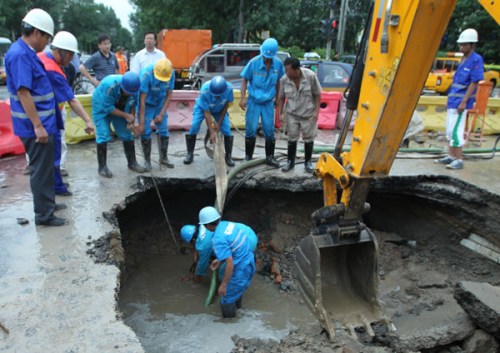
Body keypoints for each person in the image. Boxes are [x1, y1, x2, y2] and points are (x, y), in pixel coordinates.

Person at [6, 8, 67, 226]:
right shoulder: (20, 55)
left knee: (47, 166)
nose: (47, 44)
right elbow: (24, 92)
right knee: (40, 171)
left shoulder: (27, 52)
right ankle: (44, 215)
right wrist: (38, 126)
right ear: (36, 33)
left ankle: (48, 204)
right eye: (47, 38)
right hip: (35, 127)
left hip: (45, 124)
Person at [37, 31, 95, 197]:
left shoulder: (41, 57)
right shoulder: (54, 71)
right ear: (61, 51)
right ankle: (54, 189)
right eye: (70, 55)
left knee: (48, 155)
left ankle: (54, 186)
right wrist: (87, 120)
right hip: (48, 116)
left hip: (44, 112)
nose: (71, 59)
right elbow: (72, 100)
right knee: (52, 153)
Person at [435, 28, 484, 170]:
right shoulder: (462, 59)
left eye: (465, 45)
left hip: (461, 102)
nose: (462, 47)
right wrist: (449, 100)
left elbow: (474, 82)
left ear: (472, 45)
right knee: (449, 130)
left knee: (456, 131)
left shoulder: (475, 60)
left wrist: (464, 101)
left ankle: (459, 159)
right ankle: (451, 156)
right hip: (453, 101)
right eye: (461, 45)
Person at [199, 206, 257, 318]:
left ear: (207, 225)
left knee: (226, 299)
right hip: (249, 261)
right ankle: (239, 312)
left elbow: (230, 263)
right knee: (237, 289)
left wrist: (223, 285)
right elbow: (233, 246)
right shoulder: (227, 224)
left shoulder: (217, 239)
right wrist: (220, 260)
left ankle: (230, 329)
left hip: (241, 268)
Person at [239, 38, 285, 167]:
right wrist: (243, 98)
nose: (266, 59)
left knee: (269, 129)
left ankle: (270, 157)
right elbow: (244, 80)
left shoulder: (278, 64)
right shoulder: (253, 63)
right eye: (264, 56)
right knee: (251, 129)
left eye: (268, 57)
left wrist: (277, 97)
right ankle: (248, 157)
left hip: (268, 103)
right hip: (254, 101)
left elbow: (278, 82)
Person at [92, 72, 146, 178]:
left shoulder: (135, 88)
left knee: (126, 134)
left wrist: (131, 121)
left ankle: (132, 163)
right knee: (103, 134)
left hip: (121, 107)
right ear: (122, 87)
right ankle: (102, 167)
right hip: (101, 107)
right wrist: (125, 115)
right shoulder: (110, 85)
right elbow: (108, 107)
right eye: (128, 92)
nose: (130, 94)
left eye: (132, 92)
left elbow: (133, 104)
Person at [277, 57, 321, 173]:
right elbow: (281, 98)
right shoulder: (284, 80)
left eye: (288, 70)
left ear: (297, 70)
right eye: (285, 70)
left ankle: (308, 162)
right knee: (291, 137)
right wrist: (280, 113)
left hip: (308, 113)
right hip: (292, 113)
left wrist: (316, 111)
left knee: (309, 138)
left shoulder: (310, 76)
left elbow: (317, 94)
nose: (286, 73)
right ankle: (290, 162)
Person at [184, 75, 235, 167]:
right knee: (194, 126)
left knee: (227, 130)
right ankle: (189, 154)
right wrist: (211, 132)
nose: (217, 97)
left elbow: (226, 106)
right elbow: (206, 113)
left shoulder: (229, 89)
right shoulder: (205, 90)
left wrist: (218, 123)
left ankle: (228, 156)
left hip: (220, 109)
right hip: (202, 108)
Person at [138, 58, 175, 170]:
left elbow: (169, 95)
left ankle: (163, 158)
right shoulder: (145, 75)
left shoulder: (171, 73)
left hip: (160, 103)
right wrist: (142, 122)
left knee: (164, 130)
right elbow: (142, 101)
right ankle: (147, 161)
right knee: (146, 131)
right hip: (147, 105)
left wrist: (161, 114)